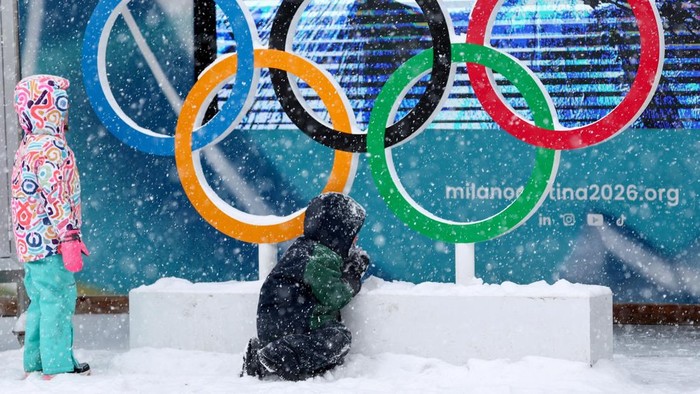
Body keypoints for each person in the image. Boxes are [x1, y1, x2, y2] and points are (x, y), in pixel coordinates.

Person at [11, 74, 91, 379]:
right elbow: (56, 196)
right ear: (52, 109)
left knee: (42, 302)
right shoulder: (51, 149)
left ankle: (35, 360)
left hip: (31, 243)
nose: (65, 114)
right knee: (58, 301)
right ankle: (58, 365)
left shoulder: (28, 146)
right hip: (51, 243)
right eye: (62, 107)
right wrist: (69, 236)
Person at [242, 192, 370, 381]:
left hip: (276, 323)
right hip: (296, 323)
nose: (356, 240)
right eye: (352, 234)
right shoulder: (318, 256)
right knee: (339, 339)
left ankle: (265, 354)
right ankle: (280, 355)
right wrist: (353, 276)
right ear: (337, 232)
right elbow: (334, 295)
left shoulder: (304, 250)